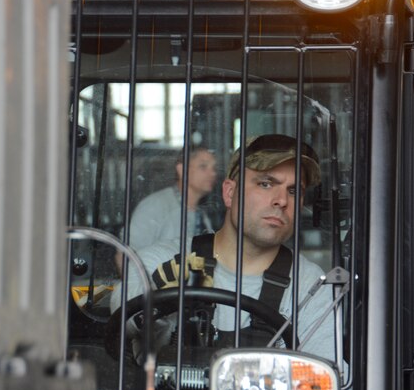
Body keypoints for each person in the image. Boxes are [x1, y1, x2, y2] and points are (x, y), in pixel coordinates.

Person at [112, 134, 336, 361]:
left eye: (293, 191)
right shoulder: (163, 261)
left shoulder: (310, 286)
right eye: (266, 184)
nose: (282, 200)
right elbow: (122, 312)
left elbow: (331, 383)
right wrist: (158, 302)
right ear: (230, 193)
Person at [127, 147, 217, 250]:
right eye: (203, 166)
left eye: (214, 168)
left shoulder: (201, 216)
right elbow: (125, 256)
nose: (213, 173)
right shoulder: (155, 206)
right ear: (182, 170)